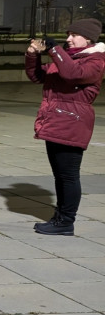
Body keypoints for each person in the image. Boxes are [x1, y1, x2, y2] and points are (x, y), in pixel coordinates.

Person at [25, 18, 104, 235]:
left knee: (68, 175)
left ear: (88, 38)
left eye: (73, 35)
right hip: (56, 121)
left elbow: (73, 75)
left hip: (72, 122)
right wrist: (33, 54)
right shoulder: (68, 58)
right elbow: (37, 76)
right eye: (67, 34)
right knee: (60, 175)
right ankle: (60, 217)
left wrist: (55, 49)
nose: (68, 39)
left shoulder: (95, 61)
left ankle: (66, 221)